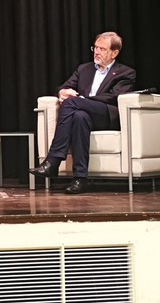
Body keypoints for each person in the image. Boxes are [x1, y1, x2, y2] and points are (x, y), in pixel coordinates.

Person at [30, 31, 137, 194]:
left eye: (102, 49)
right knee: (79, 117)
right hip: (83, 112)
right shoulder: (84, 69)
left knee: (72, 103)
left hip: (105, 114)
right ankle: (80, 179)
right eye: (95, 48)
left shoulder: (125, 72)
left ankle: (53, 160)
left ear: (114, 53)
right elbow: (63, 86)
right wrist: (62, 92)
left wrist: (82, 99)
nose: (97, 52)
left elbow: (114, 97)